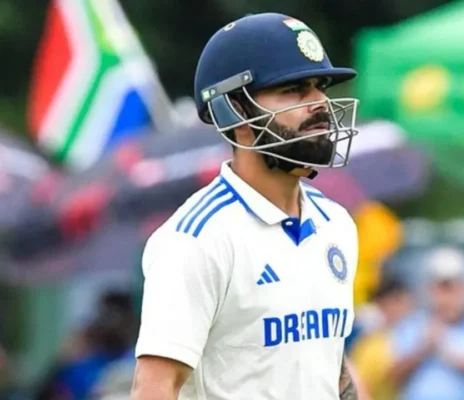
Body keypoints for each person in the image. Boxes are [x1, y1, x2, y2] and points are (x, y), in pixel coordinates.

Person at [131, 13, 361, 400]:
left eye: (319, 87)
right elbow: (154, 388)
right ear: (234, 111)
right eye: (294, 89)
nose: (320, 103)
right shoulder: (196, 240)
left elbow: (326, 365)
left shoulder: (336, 224)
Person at [389, 247, 464, 400]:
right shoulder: (412, 325)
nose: (448, 297)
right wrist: (423, 349)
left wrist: (452, 355)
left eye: (454, 288)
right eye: (442, 288)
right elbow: (393, 375)